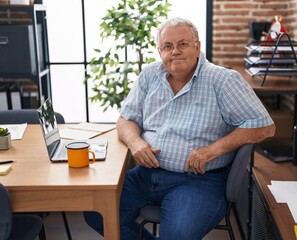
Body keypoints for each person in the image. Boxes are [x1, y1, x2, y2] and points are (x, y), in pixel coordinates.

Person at [84, 17, 275, 240]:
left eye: (182, 44)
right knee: (96, 213)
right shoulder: (149, 76)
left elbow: (264, 126)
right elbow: (126, 119)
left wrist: (212, 150)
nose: (175, 51)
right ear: (159, 51)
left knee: (177, 235)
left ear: (197, 46)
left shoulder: (222, 80)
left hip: (199, 180)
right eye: (168, 46)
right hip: (146, 175)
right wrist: (136, 143)